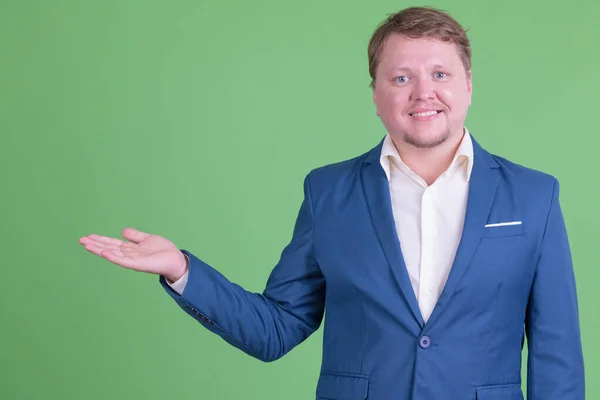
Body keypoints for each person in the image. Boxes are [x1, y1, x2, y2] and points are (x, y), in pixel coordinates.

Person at [79, 6, 585, 399]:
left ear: (468, 85)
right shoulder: (329, 193)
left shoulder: (535, 196)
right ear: (375, 93)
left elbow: (556, 356)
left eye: (441, 74)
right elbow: (276, 327)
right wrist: (182, 268)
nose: (422, 92)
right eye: (401, 77)